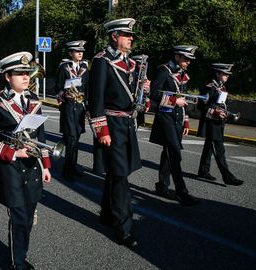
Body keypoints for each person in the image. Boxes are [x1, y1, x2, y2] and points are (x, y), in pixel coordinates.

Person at [0, 52, 52, 270]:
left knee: (29, 217)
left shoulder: (33, 101)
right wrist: (12, 153)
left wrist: (46, 166)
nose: (25, 77)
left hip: (33, 167)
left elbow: (41, 137)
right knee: (19, 216)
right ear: (7, 77)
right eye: (19, 73)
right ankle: (17, 263)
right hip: (11, 167)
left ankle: (21, 253)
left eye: (27, 73)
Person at [89, 18, 149, 248]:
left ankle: (106, 214)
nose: (131, 38)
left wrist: (144, 90)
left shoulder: (131, 64)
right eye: (127, 35)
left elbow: (134, 99)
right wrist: (101, 129)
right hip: (111, 124)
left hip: (127, 123)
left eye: (131, 35)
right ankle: (124, 228)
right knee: (121, 177)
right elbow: (95, 99)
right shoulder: (102, 61)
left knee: (117, 172)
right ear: (115, 36)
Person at [148, 45, 200, 206]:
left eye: (190, 60)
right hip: (165, 117)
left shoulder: (182, 74)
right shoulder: (164, 70)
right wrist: (173, 101)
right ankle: (182, 192)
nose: (188, 62)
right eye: (186, 59)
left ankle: (162, 186)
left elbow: (182, 98)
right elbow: (154, 92)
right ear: (177, 57)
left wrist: (185, 120)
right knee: (175, 154)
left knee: (168, 152)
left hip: (177, 117)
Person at [197, 63, 243, 186]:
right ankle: (228, 177)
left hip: (218, 122)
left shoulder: (221, 87)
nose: (227, 76)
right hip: (211, 122)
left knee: (208, 148)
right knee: (219, 150)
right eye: (225, 73)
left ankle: (203, 171)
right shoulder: (210, 87)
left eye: (228, 74)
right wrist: (214, 111)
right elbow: (200, 106)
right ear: (217, 73)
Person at [55, 40, 89, 181]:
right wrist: (64, 94)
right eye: (76, 51)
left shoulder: (86, 68)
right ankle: (67, 170)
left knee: (77, 137)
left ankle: (73, 166)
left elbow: (88, 88)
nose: (80, 53)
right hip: (68, 107)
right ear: (70, 53)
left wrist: (88, 107)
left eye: (81, 51)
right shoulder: (64, 68)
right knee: (71, 138)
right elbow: (57, 88)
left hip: (80, 107)